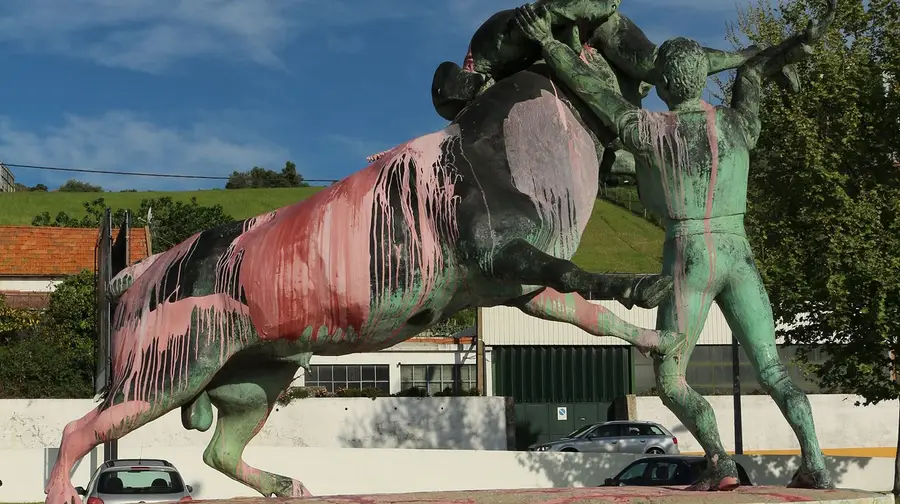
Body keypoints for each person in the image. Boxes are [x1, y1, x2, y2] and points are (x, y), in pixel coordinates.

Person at [513, 0, 836, 491]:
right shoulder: (737, 125)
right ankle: (814, 460)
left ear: (662, 86)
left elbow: (594, 90)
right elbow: (754, 71)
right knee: (772, 369)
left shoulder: (651, 130)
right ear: (702, 78)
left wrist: (548, 43)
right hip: (738, 251)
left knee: (671, 379)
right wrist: (798, 42)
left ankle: (721, 463)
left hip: (689, 254)